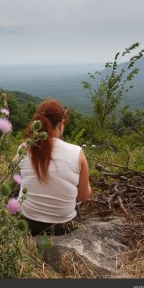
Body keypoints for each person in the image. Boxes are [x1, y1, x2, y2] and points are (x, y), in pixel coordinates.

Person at [15, 98, 91, 236]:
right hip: (62, 226)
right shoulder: (76, 152)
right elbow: (84, 196)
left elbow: (17, 179)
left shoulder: (24, 149)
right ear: (61, 124)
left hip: (26, 223)